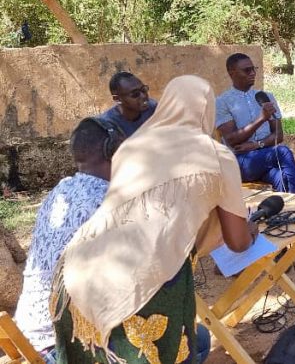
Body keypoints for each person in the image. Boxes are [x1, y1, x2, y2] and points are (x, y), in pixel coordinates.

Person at [51, 75, 258, 363]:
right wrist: (251, 230)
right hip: (143, 284)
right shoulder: (216, 156)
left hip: (75, 274)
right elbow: (237, 242)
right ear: (207, 110)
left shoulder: (130, 148)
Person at [14, 117, 124, 363]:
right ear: (113, 150)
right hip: (65, 345)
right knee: (192, 340)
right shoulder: (107, 202)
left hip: (29, 336)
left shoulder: (59, 191)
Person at [216, 53, 295, 194]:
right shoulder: (222, 102)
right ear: (232, 73)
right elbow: (232, 140)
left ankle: (287, 213)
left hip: (265, 157)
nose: (252, 73)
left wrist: (257, 144)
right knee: (282, 152)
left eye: (254, 69)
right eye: (247, 70)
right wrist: (261, 119)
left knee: (282, 177)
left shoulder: (266, 97)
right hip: (239, 163)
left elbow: (279, 135)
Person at [99, 71, 157, 137]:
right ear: (117, 99)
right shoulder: (108, 126)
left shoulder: (153, 108)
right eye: (135, 94)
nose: (143, 96)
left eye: (144, 90)